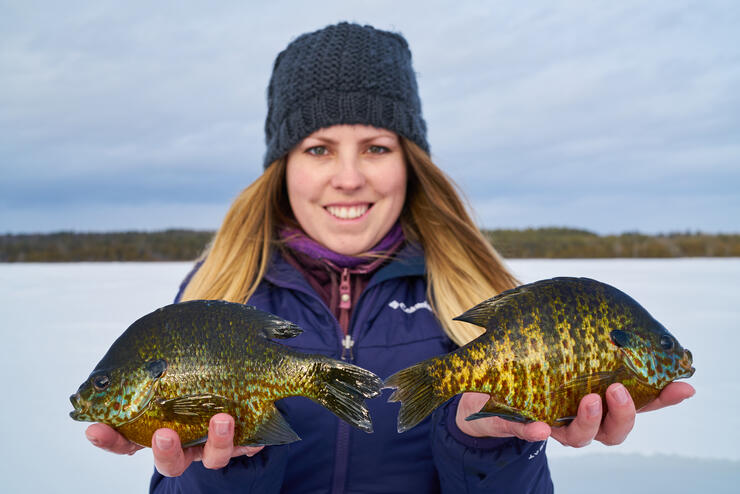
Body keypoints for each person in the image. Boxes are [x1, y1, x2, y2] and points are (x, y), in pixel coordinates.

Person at [84, 22, 695, 493]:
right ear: (283, 167)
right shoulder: (217, 298)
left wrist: (491, 441)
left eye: (375, 146)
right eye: (319, 148)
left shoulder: (478, 296)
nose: (348, 178)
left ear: (410, 162)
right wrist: (224, 468)